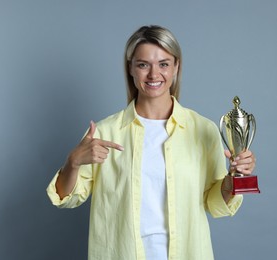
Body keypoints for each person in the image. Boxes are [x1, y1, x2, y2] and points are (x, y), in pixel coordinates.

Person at [47, 25, 256, 260]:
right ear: (131, 69)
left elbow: (214, 203)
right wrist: (72, 162)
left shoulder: (203, 130)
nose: (154, 74)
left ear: (176, 66)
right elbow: (66, 198)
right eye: (143, 64)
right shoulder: (105, 132)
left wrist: (234, 177)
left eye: (164, 64)